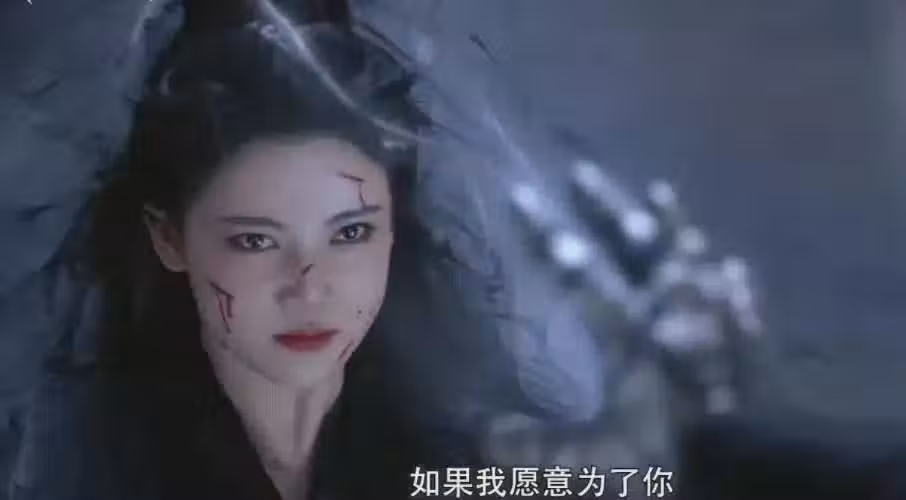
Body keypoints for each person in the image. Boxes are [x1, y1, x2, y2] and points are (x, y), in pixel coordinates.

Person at [24, 13, 491, 500]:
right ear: (169, 238)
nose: (309, 287)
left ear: (394, 229)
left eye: (351, 232)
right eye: (256, 241)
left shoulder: (453, 455)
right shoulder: (78, 462)